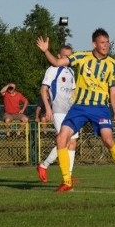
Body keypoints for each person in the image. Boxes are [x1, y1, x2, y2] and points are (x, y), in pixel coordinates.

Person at [36, 28, 115, 193]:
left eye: (107, 42)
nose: (106, 45)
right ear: (94, 44)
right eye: (102, 43)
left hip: (100, 108)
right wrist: (46, 51)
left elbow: (113, 92)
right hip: (79, 107)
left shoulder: (113, 65)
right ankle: (66, 181)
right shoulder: (82, 57)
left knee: (108, 140)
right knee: (61, 138)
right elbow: (57, 63)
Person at [36, 44, 76, 183]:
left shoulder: (71, 72)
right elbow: (43, 89)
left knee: (72, 142)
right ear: (59, 56)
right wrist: (48, 108)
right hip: (58, 111)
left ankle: (68, 176)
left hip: (70, 111)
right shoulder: (53, 69)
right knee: (63, 141)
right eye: (65, 56)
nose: (68, 58)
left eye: (70, 56)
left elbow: (73, 92)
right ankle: (44, 165)